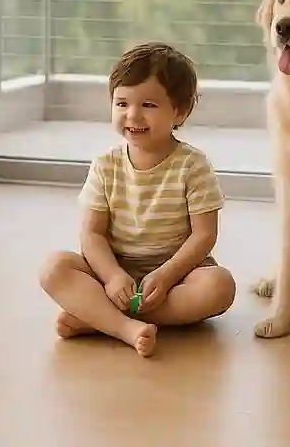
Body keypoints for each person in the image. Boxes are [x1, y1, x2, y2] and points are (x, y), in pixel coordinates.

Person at [39, 42, 236, 358]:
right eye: (122, 104)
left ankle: (99, 319)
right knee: (53, 268)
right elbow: (92, 234)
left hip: (177, 275)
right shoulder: (105, 165)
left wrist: (168, 274)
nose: (133, 115)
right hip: (115, 270)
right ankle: (124, 327)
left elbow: (204, 235)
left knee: (220, 286)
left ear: (180, 111)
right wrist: (113, 276)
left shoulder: (193, 165)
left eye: (148, 104)